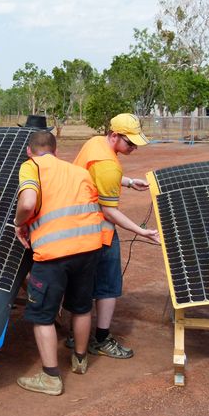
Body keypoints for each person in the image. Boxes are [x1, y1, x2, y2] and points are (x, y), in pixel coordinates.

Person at [14, 130, 105, 396]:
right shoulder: (79, 171)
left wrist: (19, 224)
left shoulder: (31, 167)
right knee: (81, 307)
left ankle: (51, 377)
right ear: (56, 151)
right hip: (89, 249)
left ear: (30, 152)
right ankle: (79, 359)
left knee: (42, 315)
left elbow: (28, 202)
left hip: (54, 253)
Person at [70, 113, 160, 359]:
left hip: (75, 226)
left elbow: (94, 179)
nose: (133, 148)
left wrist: (129, 182)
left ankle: (77, 333)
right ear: (114, 135)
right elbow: (109, 211)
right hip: (98, 230)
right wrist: (141, 231)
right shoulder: (109, 165)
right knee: (108, 286)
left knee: (82, 283)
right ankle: (100, 339)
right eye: (129, 143)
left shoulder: (94, 144)